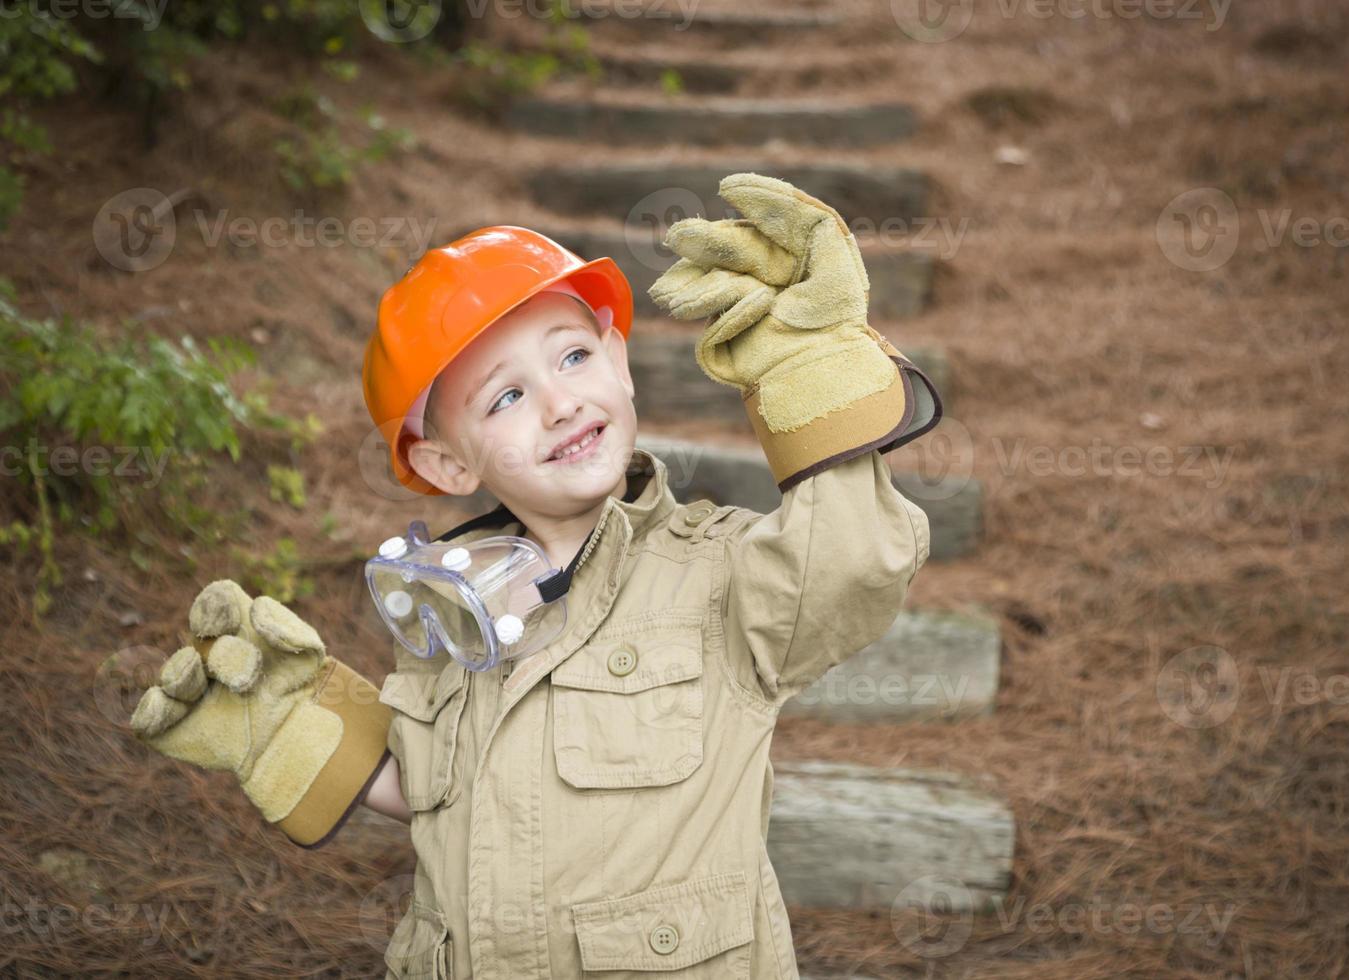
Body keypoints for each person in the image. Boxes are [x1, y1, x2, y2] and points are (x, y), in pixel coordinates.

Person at [130, 173, 942, 978]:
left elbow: (851, 562)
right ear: (446, 463)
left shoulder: (721, 574)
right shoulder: (447, 610)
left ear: (620, 364)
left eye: (575, 356)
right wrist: (284, 726)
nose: (559, 404)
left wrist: (807, 369)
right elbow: (431, 785)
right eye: (507, 395)